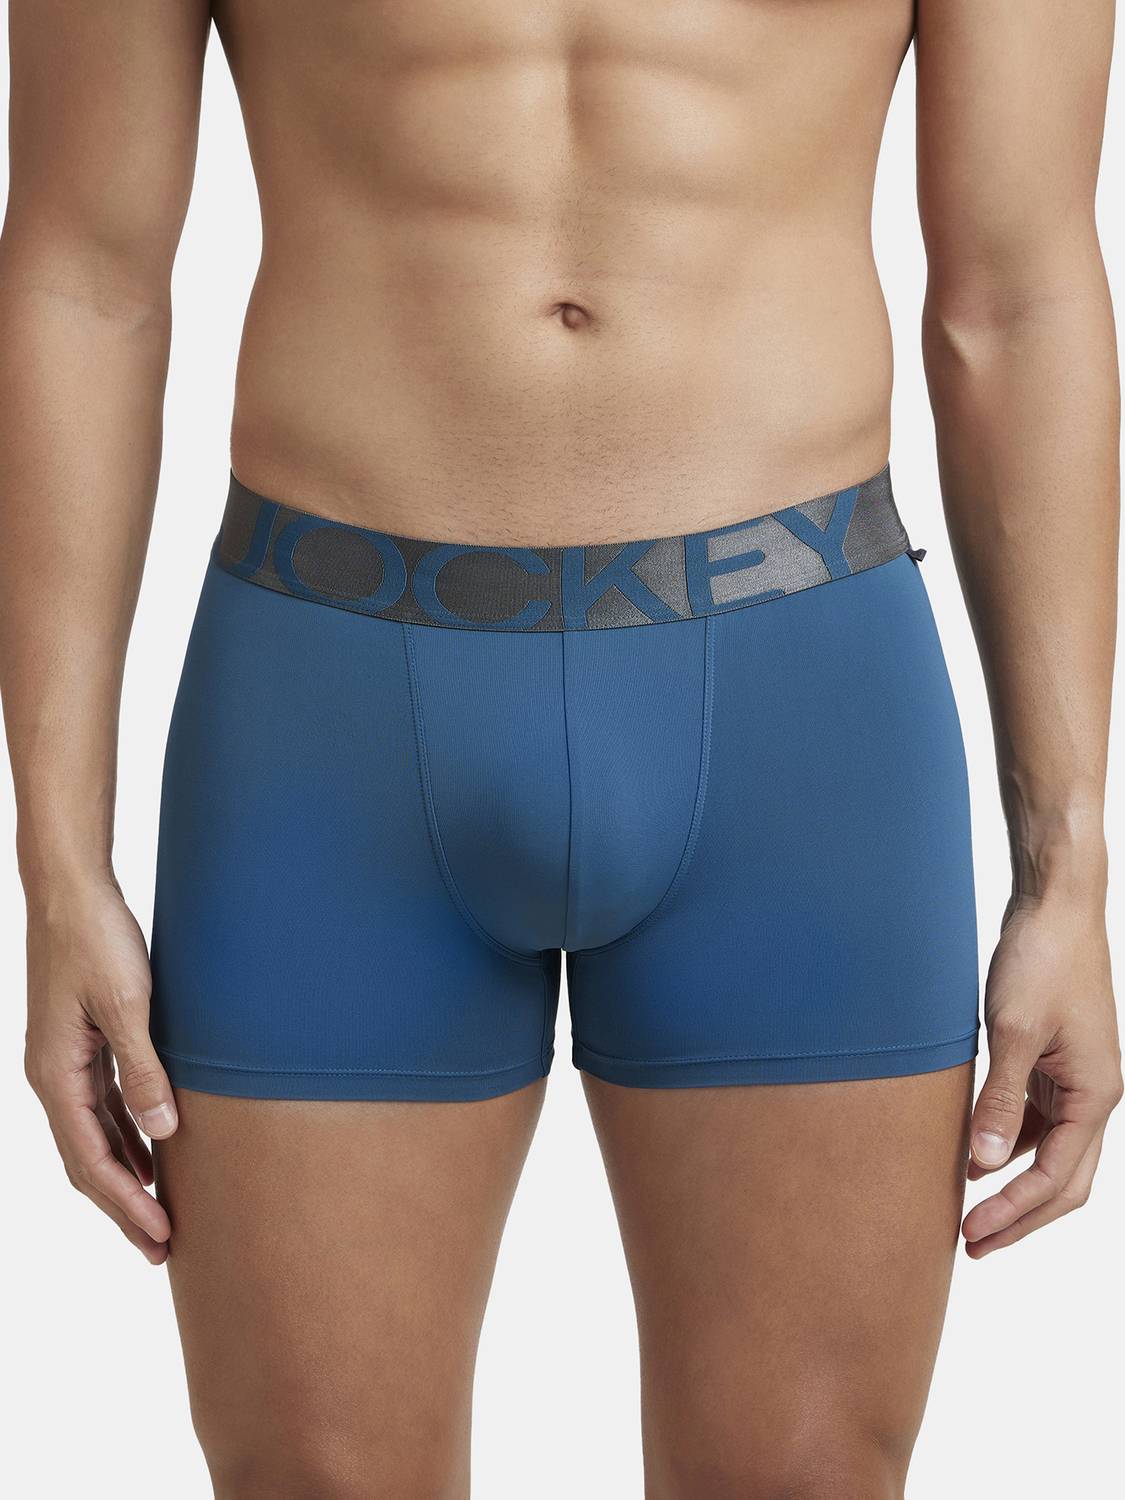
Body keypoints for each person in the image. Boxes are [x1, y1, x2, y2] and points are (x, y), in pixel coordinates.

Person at [1, 2, 1120, 1496]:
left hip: (797, 706)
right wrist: (56, 866)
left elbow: (1015, 295)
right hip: (324, 713)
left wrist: (1067, 872)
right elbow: (83, 278)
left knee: (800, 1476)